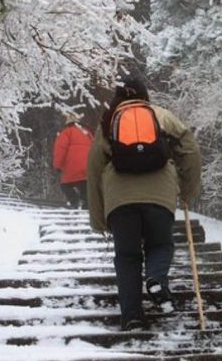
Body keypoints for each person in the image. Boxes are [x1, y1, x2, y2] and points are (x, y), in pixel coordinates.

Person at [86, 75, 202, 331]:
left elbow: (94, 169)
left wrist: (98, 219)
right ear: (144, 95)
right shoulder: (161, 115)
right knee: (160, 244)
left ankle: (133, 316)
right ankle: (156, 277)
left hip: (120, 199)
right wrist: (186, 190)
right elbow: (190, 149)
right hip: (159, 194)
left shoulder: (109, 122)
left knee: (127, 257)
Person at [52, 111, 94, 209]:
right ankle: (86, 205)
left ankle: (74, 201)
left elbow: (60, 150)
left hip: (72, 167)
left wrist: (57, 165)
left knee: (65, 184)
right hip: (88, 166)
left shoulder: (66, 132)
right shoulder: (87, 133)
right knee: (84, 185)